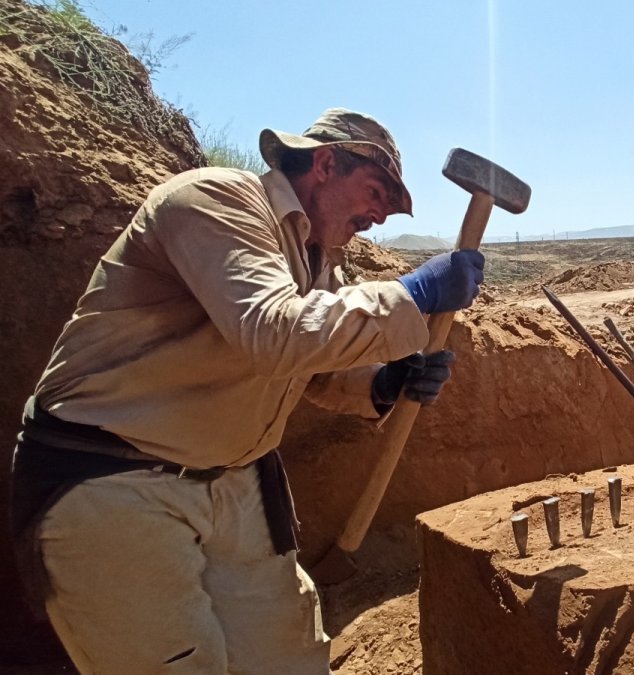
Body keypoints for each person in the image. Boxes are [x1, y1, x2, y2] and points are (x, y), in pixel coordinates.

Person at [9, 108, 484, 674]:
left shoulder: (312, 261)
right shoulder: (216, 200)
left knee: (288, 657)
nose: (380, 215)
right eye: (377, 190)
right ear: (326, 163)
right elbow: (275, 332)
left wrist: (382, 383)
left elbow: (308, 367)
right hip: (114, 483)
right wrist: (412, 294)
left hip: (233, 483)